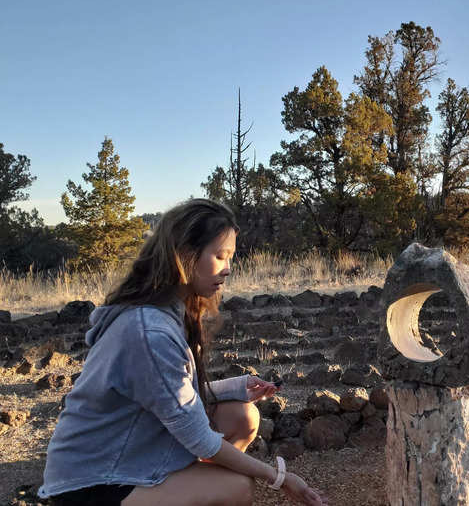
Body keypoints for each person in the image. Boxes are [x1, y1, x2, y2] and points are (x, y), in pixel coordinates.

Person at [38, 198, 327, 506]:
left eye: (231, 258)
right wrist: (279, 478)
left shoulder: (169, 311)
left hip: (133, 449)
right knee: (236, 488)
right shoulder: (151, 333)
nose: (228, 270)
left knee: (242, 416)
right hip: (94, 478)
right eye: (219, 256)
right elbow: (200, 438)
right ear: (185, 256)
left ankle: (187, 487)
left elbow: (164, 396)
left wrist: (234, 387)